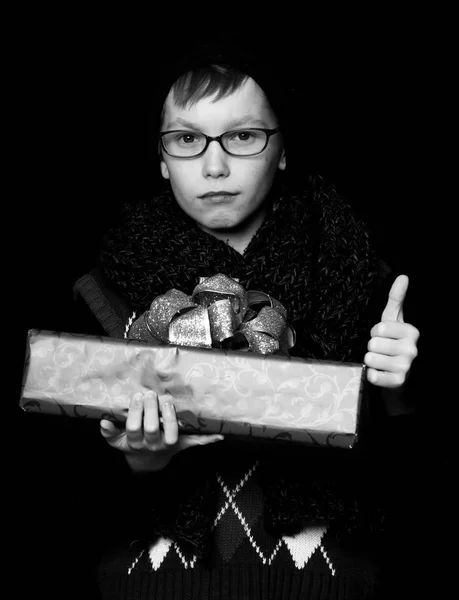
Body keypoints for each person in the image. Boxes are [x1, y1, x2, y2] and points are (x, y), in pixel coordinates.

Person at [64, 40, 419, 599]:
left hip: (330, 583)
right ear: (161, 157)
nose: (214, 165)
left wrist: (401, 392)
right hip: (153, 585)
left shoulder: (359, 272)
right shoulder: (104, 288)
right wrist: (140, 461)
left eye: (243, 136)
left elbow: (410, 485)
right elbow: (54, 505)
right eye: (187, 139)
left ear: (280, 150)